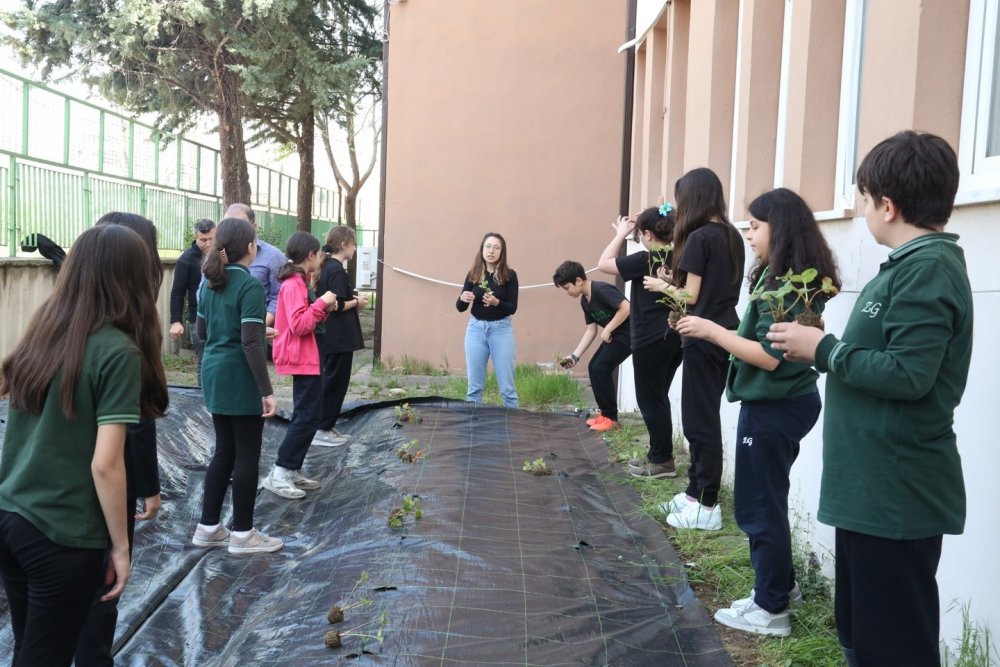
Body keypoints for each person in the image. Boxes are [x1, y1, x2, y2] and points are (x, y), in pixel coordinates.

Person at [768, 131, 971, 667]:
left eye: (861, 198)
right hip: (870, 493)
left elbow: (910, 375)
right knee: (863, 638)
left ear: (887, 204)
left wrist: (825, 350)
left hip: (895, 497)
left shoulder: (928, 269)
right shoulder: (908, 267)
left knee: (894, 647)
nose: (859, 210)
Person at [675, 188, 841, 637]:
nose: (748, 234)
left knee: (756, 504)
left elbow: (769, 356)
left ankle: (771, 610)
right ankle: (780, 588)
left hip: (774, 405)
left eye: (755, 226)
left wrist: (712, 330)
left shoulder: (787, 285)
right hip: (785, 401)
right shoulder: (786, 278)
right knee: (767, 497)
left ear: (779, 229)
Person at [0, 224, 168, 666]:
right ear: (135, 278)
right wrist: (121, 547)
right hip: (62, 536)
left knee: (30, 649)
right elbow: (106, 466)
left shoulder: (44, 330)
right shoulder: (118, 353)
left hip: (12, 519)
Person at [75, 212, 167, 667]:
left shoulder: (53, 326)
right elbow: (118, 447)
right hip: (89, 498)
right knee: (101, 591)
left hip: (28, 508)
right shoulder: (122, 344)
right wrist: (122, 544)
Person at [645, 168, 744, 530]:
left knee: (699, 421)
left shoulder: (701, 237)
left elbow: (692, 296)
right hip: (723, 332)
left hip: (703, 337)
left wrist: (661, 286)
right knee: (703, 417)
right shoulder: (732, 236)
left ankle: (706, 503)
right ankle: (693, 493)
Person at [191, 217, 283, 554]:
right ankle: (243, 533)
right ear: (250, 247)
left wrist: (255, 331)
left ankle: (208, 527)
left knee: (223, 451)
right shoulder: (249, 286)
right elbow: (250, 345)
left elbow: (202, 332)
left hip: (213, 373)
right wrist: (266, 391)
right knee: (247, 454)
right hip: (238, 376)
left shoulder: (210, 282)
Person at [597, 205, 682, 477]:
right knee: (659, 398)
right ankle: (657, 455)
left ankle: (662, 460)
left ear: (646, 233)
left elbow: (604, 263)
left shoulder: (647, 258)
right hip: (676, 336)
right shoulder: (679, 257)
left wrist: (621, 234)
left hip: (651, 339)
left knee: (650, 399)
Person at [263, 232, 338, 498]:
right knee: (306, 415)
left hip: (310, 357)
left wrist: (323, 309)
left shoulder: (299, 281)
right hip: (302, 358)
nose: (320, 258)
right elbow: (298, 325)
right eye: (319, 253)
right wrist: (321, 303)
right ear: (311, 255)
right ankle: (280, 472)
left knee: (311, 414)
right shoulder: (294, 284)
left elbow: (307, 319)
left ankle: (291, 469)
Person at [552, 260, 631, 432]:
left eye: (566, 288)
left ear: (578, 280)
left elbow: (626, 307)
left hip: (629, 335)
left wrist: (608, 328)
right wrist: (574, 356)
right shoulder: (585, 301)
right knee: (593, 367)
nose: (567, 292)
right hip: (614, 336)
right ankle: (605, 414)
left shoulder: (601, 289)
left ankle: (611, 419)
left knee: (601, 368)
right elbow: (591, 330)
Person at [316, 226, 368, 441]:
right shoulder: (336, 269)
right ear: (344, 244)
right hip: (339, 337)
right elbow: (334, 304)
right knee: (336, 383)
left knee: (330, 380)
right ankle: (323, 428)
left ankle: (325, 425)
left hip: (331, 336)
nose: (355, 249)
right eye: (353, 244)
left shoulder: (326, 266)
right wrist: (357, 302)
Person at [456, 233, 519, 408]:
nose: (491, 251)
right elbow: (460, 308)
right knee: (474, 388)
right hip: (476, 329)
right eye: (488, 246)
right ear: (482, 249)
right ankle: (472, 426)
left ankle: (512, 426)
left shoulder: (510, 275)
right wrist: (463, 298)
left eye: (496, 247)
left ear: (502, 252)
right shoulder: (474, 274)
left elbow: (512, 307)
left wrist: (496, 302)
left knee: (507, 388)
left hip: (501, 329)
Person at [169, 218, 216, 384]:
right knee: (204, 360)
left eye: (212, 238)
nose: (209, 243)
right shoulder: (186, 259)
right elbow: (177, 292)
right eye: (204, 240)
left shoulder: (224, 255)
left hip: (221, 316)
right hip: (199, 319)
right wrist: (176, 321)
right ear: (196, 237)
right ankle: (202, 399)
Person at [224, 203, 286, 327]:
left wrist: (260, 327)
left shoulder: (274, 256)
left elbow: (278, 297)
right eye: (227, 224)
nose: (233, 230)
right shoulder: (215, 256)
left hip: (258, 330)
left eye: (239, 225)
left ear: (254, 226)